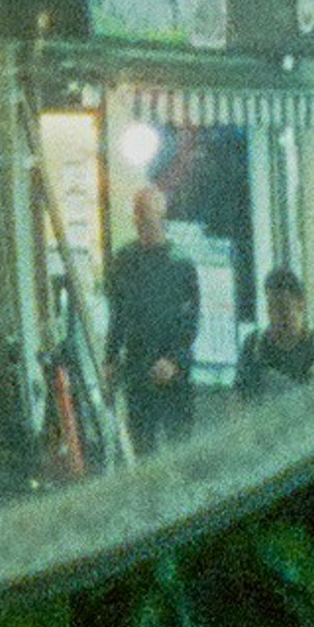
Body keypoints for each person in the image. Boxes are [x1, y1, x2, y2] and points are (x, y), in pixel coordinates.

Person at [102, 181, 202, 453]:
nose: (141, 220)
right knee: (142, 448)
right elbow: (117, 316)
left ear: (161, 215)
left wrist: (174, 360)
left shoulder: (181, 264)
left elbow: (191, 322)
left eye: (146, 214)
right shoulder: (123, 261)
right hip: (137, 369)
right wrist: (110, 359)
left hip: (174, 374)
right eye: (137, 214)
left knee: (181, 450)